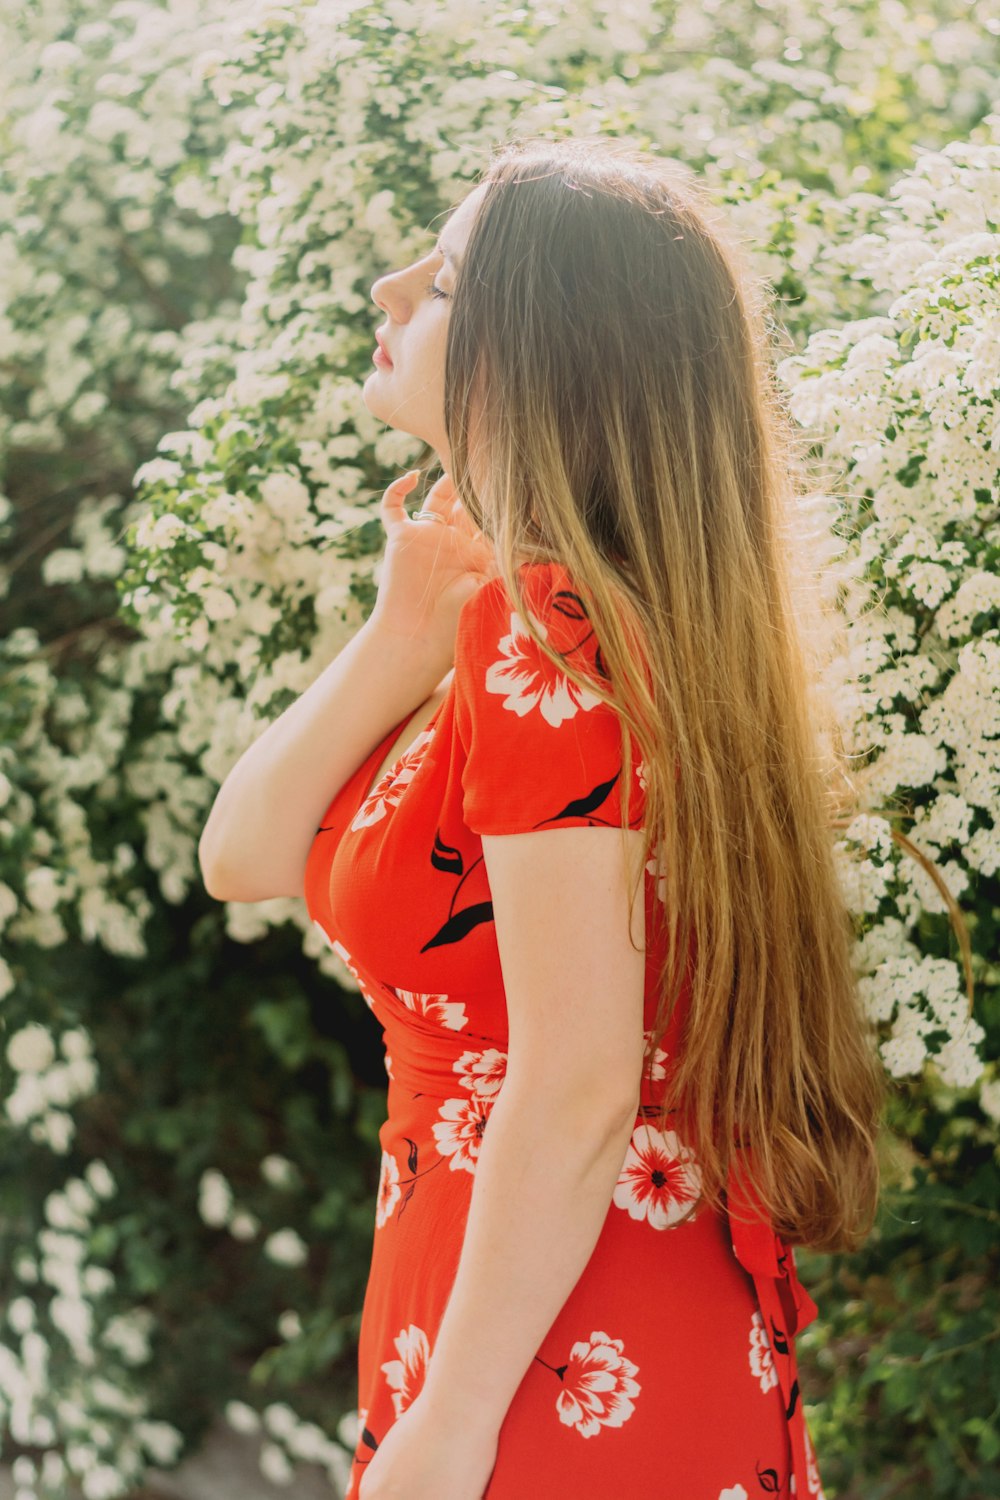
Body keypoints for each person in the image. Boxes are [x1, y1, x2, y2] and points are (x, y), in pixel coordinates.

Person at [199, 135, 885, 1500]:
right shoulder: (549, 629)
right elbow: (245, 856)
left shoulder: (550, 637)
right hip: (544, 1305)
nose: (391, 286)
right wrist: (400, 640)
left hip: (552, 1354)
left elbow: (575, 1084)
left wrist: (448, 1432)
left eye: (443, 278)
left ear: (536, 353)